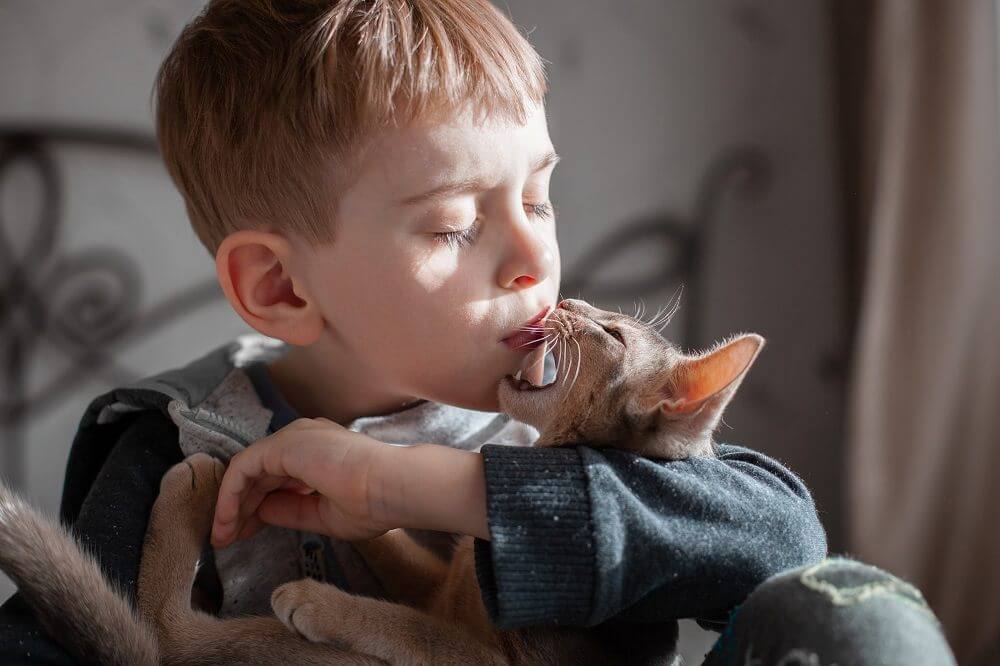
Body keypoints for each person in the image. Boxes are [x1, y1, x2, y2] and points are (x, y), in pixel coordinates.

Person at [0, 1, 954, 663]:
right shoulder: (173, 443)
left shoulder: (585, 424)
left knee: (857, 620)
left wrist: (423, 485)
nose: (532, 254)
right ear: (281, 285)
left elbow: (782, 540)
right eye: (456, 224)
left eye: (540, 195)